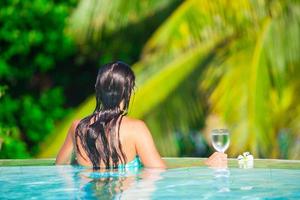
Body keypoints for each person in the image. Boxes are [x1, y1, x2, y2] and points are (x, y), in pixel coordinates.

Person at [56, 61, 227, 169]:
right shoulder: (135, 129)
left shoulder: (77, 126)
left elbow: (59, 165)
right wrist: (205, 165)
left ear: (98, 90)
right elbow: (158, 170)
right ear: (128, 92)